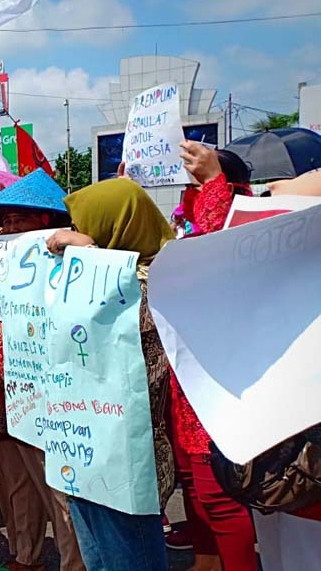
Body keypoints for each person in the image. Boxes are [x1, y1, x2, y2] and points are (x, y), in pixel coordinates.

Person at [45, 179, 175, 571]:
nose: (72, 230)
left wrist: (90, 254)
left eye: (82, 222)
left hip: (126, 456)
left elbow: (126, 310)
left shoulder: (158, 280)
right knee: (100, 559)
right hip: (83, 442)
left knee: (130, 558)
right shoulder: (85, 278)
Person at [0, 170, 84, 571]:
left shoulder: (75, 260)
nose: (11, 228)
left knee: (58, 486)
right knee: (12, 481)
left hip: (42, 390)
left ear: (48, 222)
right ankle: (25, 557)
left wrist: (76, 247)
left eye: (22, 220)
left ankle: (75, 564)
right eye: (7, 221)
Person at [165, 142, 259, 571]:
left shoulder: (244, 224)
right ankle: (205, 562)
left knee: (219, 495)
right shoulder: (190, 214)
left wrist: (213, 179)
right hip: (184, 381)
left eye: (198, 182)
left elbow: (210, 247)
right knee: (194, 487)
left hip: (218, 380)